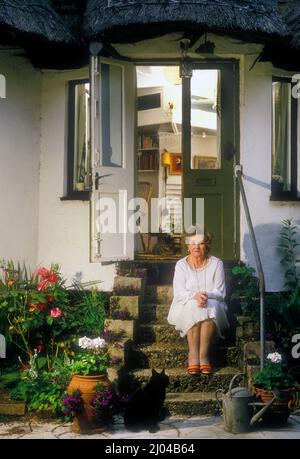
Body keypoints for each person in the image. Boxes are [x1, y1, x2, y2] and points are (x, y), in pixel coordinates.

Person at [167, 228, 229, 375]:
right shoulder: (181, 265)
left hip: (212, 302)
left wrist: (206, 295)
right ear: (187, 246)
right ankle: (193, 354)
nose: (196, 247)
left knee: (210, 305)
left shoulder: (216, 263)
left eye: (201, 243)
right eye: (193, 243)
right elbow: (179, 293)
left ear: (206, 245)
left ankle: (204, 356)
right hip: (186, 303)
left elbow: (220, 293)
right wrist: (195, 295)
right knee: (192, 305)